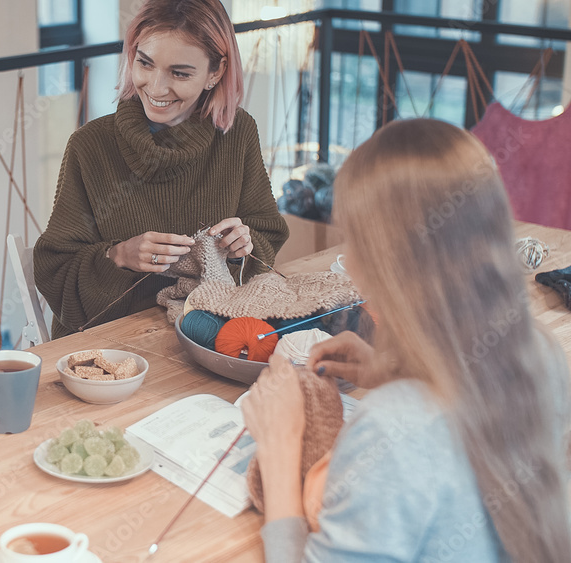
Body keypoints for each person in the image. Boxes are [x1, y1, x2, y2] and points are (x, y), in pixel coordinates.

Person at [243, 119, 571, 561]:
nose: (351, 261)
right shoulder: (541, 356)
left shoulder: (392, 429)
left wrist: (279, 446)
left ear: (393, 264)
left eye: (356, 241)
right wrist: (399, 371)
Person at [33, 0, 288, 339]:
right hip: (108, 345)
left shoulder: (237, 132)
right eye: (145, 63)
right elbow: (56, 269)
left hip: (207, 332)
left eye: (179, 73)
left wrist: (244, 246)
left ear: (216, 71)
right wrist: (117, 255)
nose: (155, 87)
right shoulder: (90, 145)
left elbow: (265, 234)